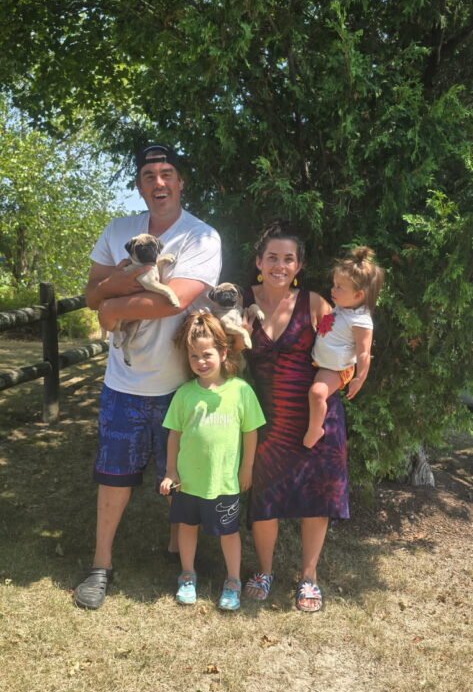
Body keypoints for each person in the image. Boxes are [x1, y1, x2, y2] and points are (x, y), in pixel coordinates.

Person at [74, 143, 222, 610]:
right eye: (149, 176)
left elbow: (175, 301)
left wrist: (113, 305)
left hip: (181, 383)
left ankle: (182, 560)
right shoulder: (118, 230)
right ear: (139, 186)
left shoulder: (201, 237)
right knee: (113, 475)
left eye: (167, 173)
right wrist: (112, 292)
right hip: (124, 383)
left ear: (180, 182)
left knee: (181, 476)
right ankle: (100, 565)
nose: (159, 183)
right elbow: (89, 295)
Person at [242, 221, 350, 613]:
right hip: (267, 421)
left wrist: (331, 387)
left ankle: (309, 576)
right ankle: (264, 571)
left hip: (315, 421)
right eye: (272, 257)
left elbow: (344, 356)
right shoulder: (240, 301)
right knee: (264, 497)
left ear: (299, 265)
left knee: (315, 499)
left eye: (288, 259)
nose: (280, 266)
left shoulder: (315, 304)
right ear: (259, 262)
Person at [160, 312, 265, 611]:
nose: (200, 361)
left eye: (207, 354)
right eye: (194, 356)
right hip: (187, 482)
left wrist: (246, 468)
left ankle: (233, 581)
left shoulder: (241, 391)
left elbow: (251, 432)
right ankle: (187, 575)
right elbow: (174, 435)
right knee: (186, 527)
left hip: (224, 482)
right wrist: (170, 471)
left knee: (228, 532)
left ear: (223, 352)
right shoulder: (184, 394)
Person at [303, 246, 385, 448]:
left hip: (337, 369)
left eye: (339, 287)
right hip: (322, 362)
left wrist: (360, 378)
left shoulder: (361, 321)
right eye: (334, 284)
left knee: (317, 393)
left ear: (358, 295)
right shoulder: (343, 308)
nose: (333, 290)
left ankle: (315, 429)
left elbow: (364, 353)